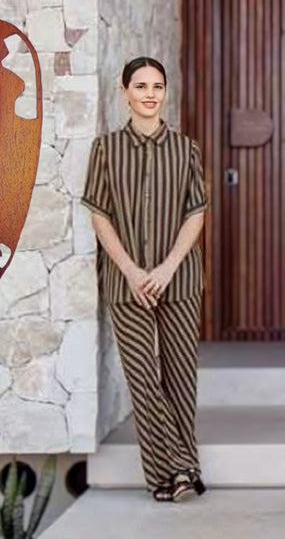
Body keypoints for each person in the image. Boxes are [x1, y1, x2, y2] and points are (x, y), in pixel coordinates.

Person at [80, 56, 208, 503]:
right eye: (140, 86)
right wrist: (132, 271)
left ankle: (168, 479)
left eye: (157, 86)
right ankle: (182, 467)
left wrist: (168, 266)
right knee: (143, 379)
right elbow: (99, 214)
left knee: (180, 379)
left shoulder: (186, 149)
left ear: (165, 92)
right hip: (126, 283)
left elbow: (196, 212)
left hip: (180, 279)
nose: (150, 94)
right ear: (125, 92)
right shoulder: (106, 150)